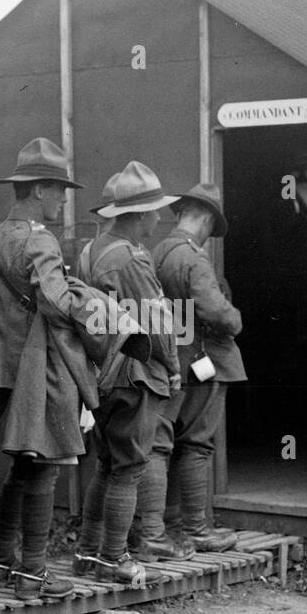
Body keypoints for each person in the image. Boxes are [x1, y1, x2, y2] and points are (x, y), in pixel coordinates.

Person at [0, 137, 138, 602]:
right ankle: (33, 574)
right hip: (43, 368)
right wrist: (97, 307)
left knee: (21, 467)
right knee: (47, 466)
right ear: (40, 189)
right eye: (60, 190)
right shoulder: (39, 238)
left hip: (4, 369)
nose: (64, 199)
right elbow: (53, 300)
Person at [74, 161, 187, 583]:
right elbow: (157, 323)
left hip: (101, 373)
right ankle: (114, 559)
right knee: (130, 467)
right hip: (136, 372)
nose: (159, 217)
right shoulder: (132, 259)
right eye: (155, 210)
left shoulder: (91, 250)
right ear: (138, 215)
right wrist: (173, 368)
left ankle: (88, 555)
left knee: (107, 464)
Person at [151, 182, 244, 552]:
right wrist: (236, 318)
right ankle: (196, 530)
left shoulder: (158, 251)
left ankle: (171, 524)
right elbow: (215, 311)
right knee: (198, 443)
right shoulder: (193, 257)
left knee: (168, 441)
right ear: (205, 217)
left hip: (173, 358)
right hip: (205, 360)